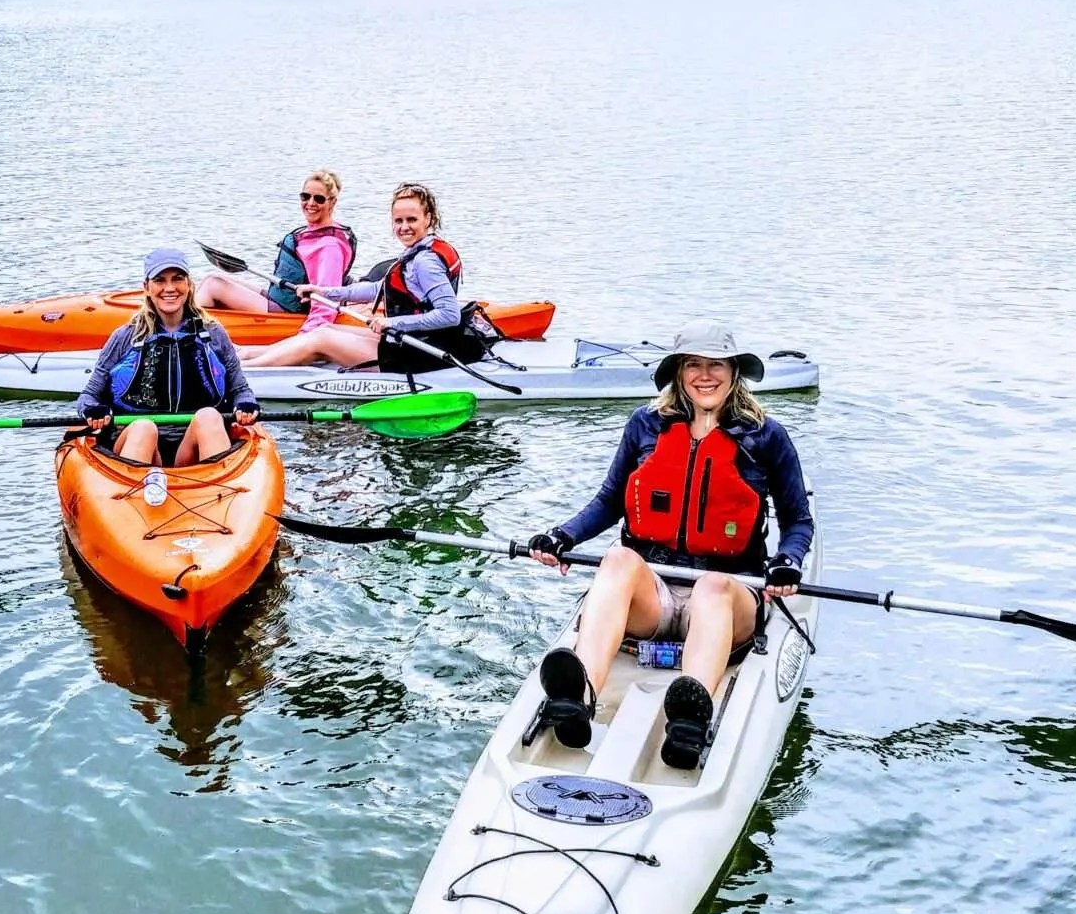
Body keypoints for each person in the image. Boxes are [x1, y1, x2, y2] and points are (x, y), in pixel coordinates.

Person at [528, 319, 813, 769]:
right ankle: (580, 696)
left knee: (713, 587)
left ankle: (689, 720)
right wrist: (562, 535)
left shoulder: (767, 437)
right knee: (619, 559)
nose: (706, 375)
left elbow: (798, 521)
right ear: (678, 372)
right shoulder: (646, 425)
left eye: (716, 364)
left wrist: (787, 561)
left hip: (728, 596)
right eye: (694, 364)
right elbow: (609, 500)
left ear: (735, 371)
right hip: (654, 599)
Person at [241, 181, 473, 373]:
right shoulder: (421, 250)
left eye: (411, 220)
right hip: (406, 340)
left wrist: (390, 322)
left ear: (429, 219)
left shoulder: (426, 261)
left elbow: (449, 315)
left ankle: (247, 372)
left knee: (321, 339)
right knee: (324, 331)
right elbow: (376, 290)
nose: (404, 227)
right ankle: (245, 354)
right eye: (398, 221)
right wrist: (324, 292)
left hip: (416, 354)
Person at [75, 247, 260, 466]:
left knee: (209, 416)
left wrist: (246, 405)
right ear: (147, 287)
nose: (169, 288)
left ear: (189, 285)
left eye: (177, 279)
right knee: (144, 427)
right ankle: (131, 493)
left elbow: (240, 390)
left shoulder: (213, 333)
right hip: (139, 446)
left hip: (193, 446)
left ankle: (218, 491)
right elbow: (88, 396)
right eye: (160, 280)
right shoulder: (125, 336)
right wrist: (93, 410)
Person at [194, 170, 358, 329]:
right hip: (280, 298)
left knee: (213, 285)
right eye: (305, 196)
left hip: (289, 313)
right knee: (211, 276)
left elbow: (326, 300)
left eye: (319, 199)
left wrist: (309, 335)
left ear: (332, 202)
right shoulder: (311, 232)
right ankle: (195, 322)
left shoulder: (330, 246)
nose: (310, 203)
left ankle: (187, 331)